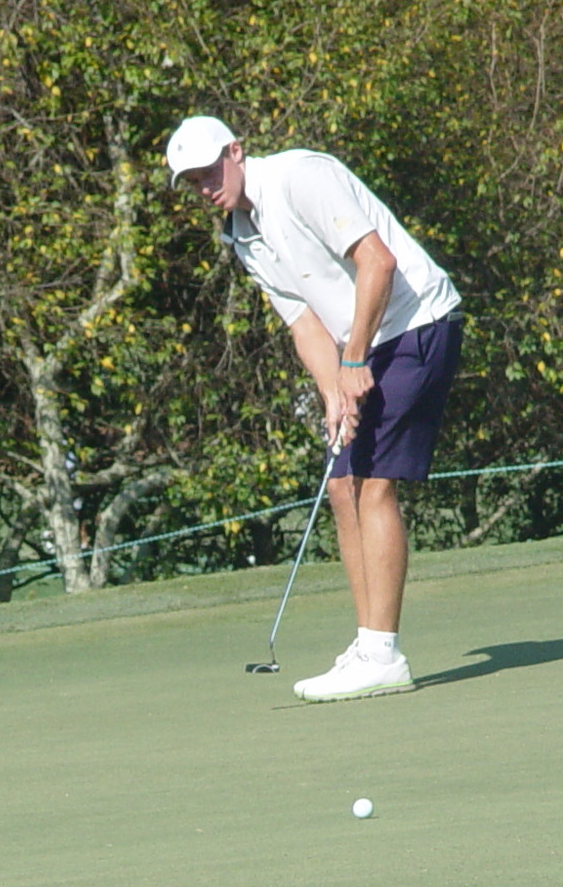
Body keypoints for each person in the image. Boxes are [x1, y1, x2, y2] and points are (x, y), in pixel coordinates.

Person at [166, 116, 465, 702]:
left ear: (236, 151)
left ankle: (382, 653)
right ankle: (366, 643)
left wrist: (353, 361)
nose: (205, 187)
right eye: (192, 182)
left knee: (374, 484)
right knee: (341, 484)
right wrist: (332, 391)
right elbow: (301, 320)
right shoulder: (238, 232)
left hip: (417, 323)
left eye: (209, 171)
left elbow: (377, 263)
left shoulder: (301, 178)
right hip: (362, 345)